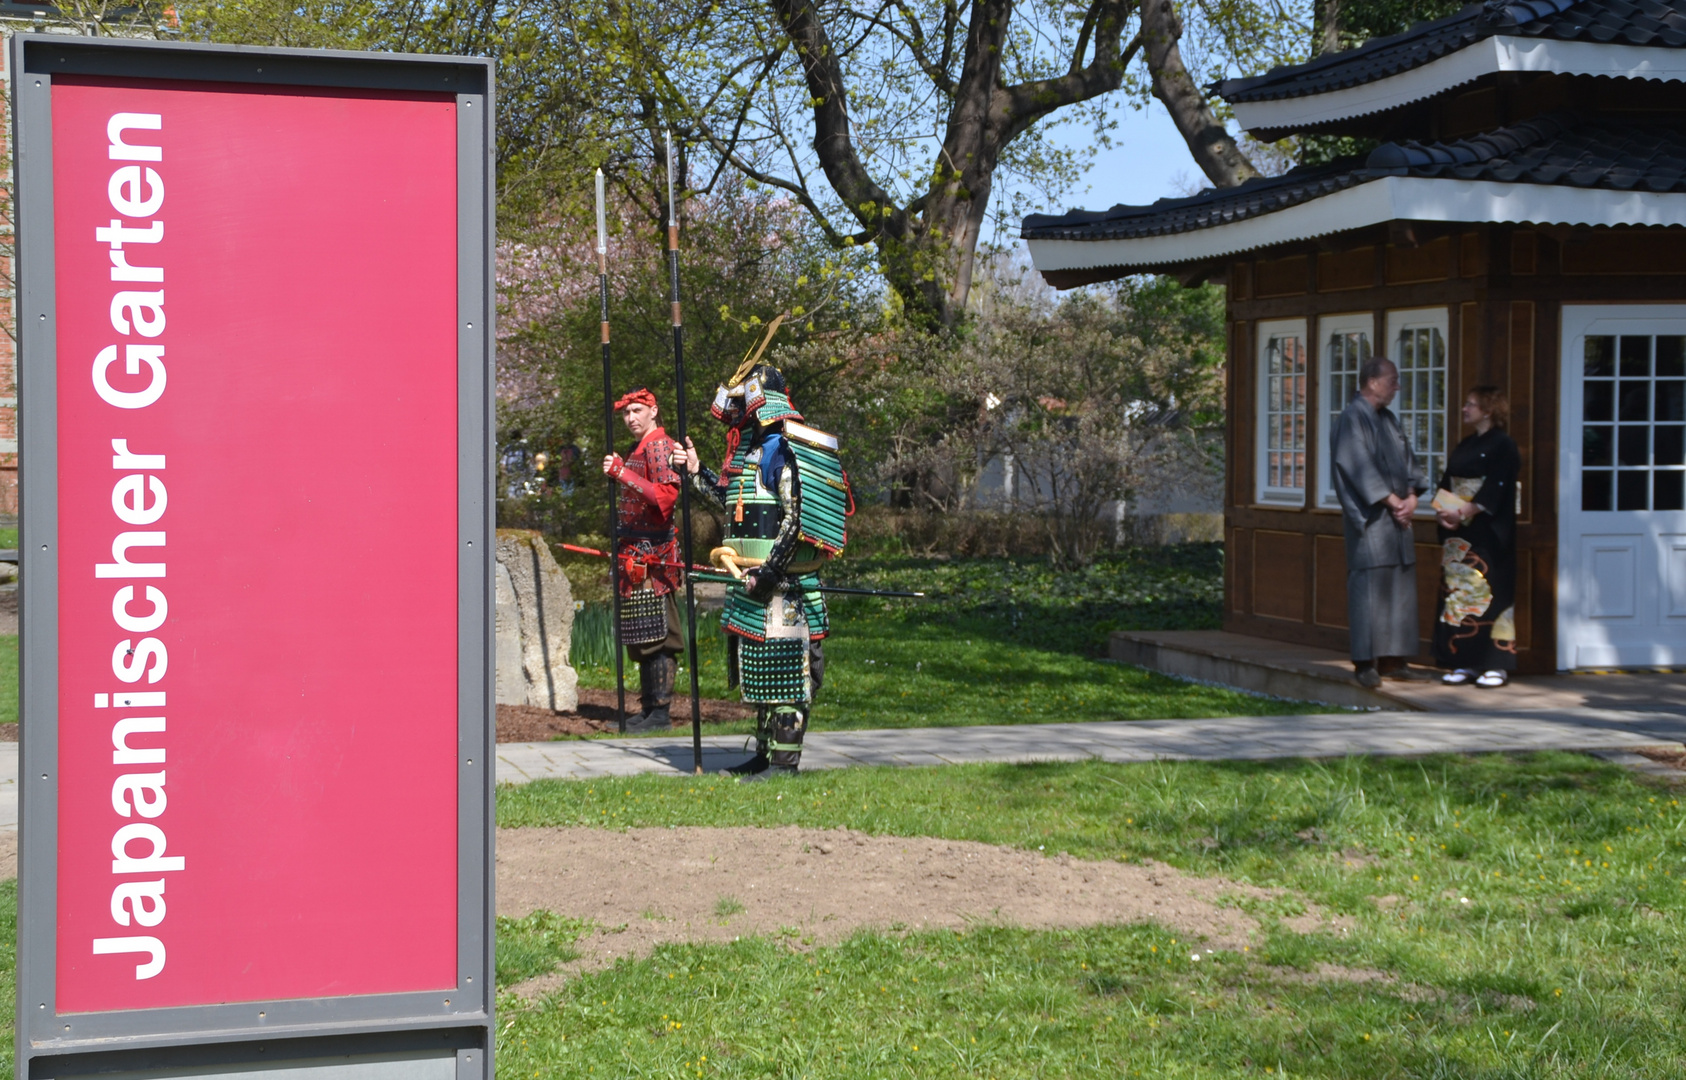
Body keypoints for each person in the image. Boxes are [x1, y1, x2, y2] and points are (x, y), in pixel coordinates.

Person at [673, 359, 850, 779]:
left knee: (787, 674)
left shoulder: (787, 449)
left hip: (784, 585)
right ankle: (766, 755)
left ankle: (785, 763)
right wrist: (696, 472)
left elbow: (798, 517)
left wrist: (770, 572)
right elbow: (735, 505)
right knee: (761, 671)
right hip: (751, 583)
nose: (740, 414)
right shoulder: (752, 453)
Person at [1331, 356, 1430, 688]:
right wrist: (1393, 501)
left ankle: (1394, 660)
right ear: (1372, 382)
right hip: (1371, 521)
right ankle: (1366, 663)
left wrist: (1412, 497)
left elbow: (1410, 463)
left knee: (1399, 588)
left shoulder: (1388, 419)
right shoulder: (1351, 418)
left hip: (1398, 521)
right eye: (1393, 380)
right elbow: (1356, 464)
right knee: (1368, 590)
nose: (1397, 386)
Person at [601, 387, 684, 733]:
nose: (631, 418)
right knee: (641, 631)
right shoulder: (639, 447)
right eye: (626, 413)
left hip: (654, 555)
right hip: (634, 553)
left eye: (637, 410)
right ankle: (649, 707)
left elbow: (666, 497)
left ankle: (661, 713)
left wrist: (623, 474)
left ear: (653, 411)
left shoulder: (659, 445)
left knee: (659, 635)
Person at [1432, 387, 1521, 688]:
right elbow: (1448, 482)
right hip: (1459, 531)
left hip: (1487, 533)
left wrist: (1464, 511)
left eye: (1471, 404)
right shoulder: (1466, 444)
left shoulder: (1504, 445)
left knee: (1490, 593)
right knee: (1458, 593)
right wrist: (1444, 513)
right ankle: (1463, 660)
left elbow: (1496, 488)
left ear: (1489, 410)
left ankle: (1496, 664)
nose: (1465, 408)